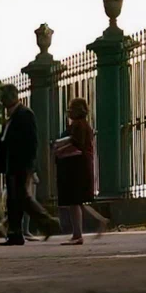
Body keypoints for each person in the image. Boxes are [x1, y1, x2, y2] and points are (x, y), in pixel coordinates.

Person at [0, 84, 59, 245]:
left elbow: (32, 141)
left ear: (13, 96)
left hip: (21, 164)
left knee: (21, 197)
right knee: (14, 199)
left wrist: (30, 164)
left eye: (4, 96)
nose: (2, 100)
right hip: (11, 164)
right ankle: (15, 233)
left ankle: (48, 223)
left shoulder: (25, 114)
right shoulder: (11, 116)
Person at [55, 97, 108, 245]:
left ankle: (77, 234)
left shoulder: (79, 126)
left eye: (70, 109)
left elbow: (77, 144)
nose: (68, 112)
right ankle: (98, 221)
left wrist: (59, 150)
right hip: (79, 165)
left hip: (77, 166)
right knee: (77, 201)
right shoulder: (81, 126)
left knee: (74, 200)